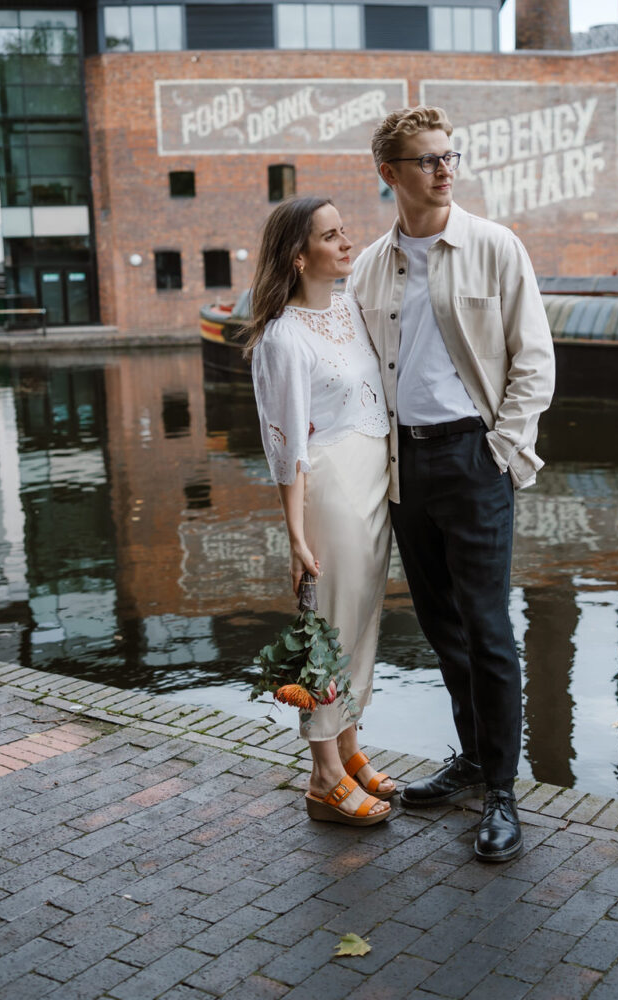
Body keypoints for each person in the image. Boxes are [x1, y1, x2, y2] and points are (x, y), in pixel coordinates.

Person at [349, 107, 555, 860]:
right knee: (441, 628)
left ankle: (501, 790)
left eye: (450, 156)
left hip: (474, 459)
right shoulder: (372, 265)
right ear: (390, 173)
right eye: (428, 159)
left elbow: (533, 360)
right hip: (403, 466)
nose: (445, 169)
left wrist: (502, 448)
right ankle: (470, 763)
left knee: (488, 628)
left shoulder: (496, 248)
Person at [247, 196, 396, 827]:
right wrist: (296, 537)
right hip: (330, 490)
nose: (345, 243)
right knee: (326, 633)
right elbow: (285, 447)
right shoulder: (284, 337)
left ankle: (351, 748)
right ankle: (322, 776)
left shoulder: (348, 309)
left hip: (374, 484)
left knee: (363, 622)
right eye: (331, 237)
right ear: (298, 254)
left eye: (345, 231)